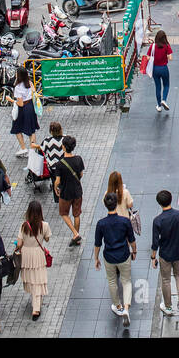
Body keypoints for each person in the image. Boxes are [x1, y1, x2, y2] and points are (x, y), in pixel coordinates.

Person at [93, 191, 137, 327]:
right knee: (126, 281)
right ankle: (127, 308)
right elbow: (131, 239)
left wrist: (96, 258)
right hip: (123, 254)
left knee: (112, 281)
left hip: (109, 256)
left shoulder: (101, 224)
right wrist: (134, 251)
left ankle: (118, 306)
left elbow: (97, 243)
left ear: (106, 205)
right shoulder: (124, 221)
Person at [151, 189, 179, 316]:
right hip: (178, 250)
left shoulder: (158, 220)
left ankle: (168, 307)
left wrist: (153, 257)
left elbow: (155, 242)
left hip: (165, 254)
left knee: (166, 280)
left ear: (159, 203)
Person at [15, 199, 52, 321]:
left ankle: (36, 302)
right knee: (38, 279)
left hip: (26, 255)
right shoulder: (44, 225)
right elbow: (47, 239)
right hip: (38, 254)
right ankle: (36, 308)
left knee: (31, 279)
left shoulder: (24, 226)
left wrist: (17, 248)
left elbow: (19, 243)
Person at [52, 135, 86, 246]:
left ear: (63, 147)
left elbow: (57, 181)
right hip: (77, 191)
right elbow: (80, 174)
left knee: (63, 213)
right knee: (76, 214)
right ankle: (77, 237)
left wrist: (55, 188)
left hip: (66, 192)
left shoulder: (60, 164)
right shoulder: (78, 159)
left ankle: (75, 233)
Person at [10, 72, 39, 158]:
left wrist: (11, 100)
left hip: (22, 109)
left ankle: (23, 148)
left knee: (17, 128)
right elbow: (34, 92)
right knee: (32, 129)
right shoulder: (30, 83)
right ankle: (32, 149)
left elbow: (20, 103)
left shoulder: (18, 87)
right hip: (31, 107)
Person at [30, 120, 63, 187]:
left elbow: (41, 148)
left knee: (55, 184)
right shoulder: (65, 138)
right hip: (64, 165)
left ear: (51, 132)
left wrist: (33, 143)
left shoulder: (47, 141)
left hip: (53, 167)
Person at [150, 29, 173, 112]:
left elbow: (148, 57)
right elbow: (170, 58)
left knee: (158, 87)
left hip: (155, 69)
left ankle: (159, 106)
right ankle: (164, 100)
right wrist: (165, 56)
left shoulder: (153, 46)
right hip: (164, 68)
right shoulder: (167, 46)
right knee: (166, 85)